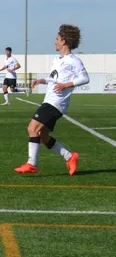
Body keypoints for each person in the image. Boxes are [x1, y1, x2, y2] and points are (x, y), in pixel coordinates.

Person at [14, 24, 88, 176]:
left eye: (57, 39)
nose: (55, 42)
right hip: (51, 100)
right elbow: (55, 79)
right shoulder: (58, 60)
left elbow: (85, 78)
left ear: (64, 41)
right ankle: (70, 156)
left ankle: (31, 164)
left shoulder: (73, 60)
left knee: (32, 129)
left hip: (56, 103)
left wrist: (66, 85)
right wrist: (43, 80)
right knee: (42, 136)